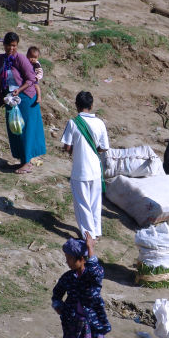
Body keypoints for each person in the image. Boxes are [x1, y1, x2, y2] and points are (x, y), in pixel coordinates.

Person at [0, 32, 46, 174]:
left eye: (14, 46)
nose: (11, 48)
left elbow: (31, 79)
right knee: (14, 129)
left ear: (17, 45)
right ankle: (22, 161)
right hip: (10, 99)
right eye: (9, 45)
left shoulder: (21, 59)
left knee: (25, 130)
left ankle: (27, 163)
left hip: (26, 99)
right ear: (4, 45)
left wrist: (19, 90)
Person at [61, 91, 109, 240]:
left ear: (76, 105)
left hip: (80, 171)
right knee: (95, 203)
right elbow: (104, 147)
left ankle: (88, 235)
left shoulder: (73, 122)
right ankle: (96, 231)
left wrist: (77, 151)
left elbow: (67, 147)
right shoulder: (100, 123)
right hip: (95, 170)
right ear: (91, 105)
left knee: (82, 205)